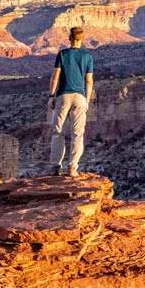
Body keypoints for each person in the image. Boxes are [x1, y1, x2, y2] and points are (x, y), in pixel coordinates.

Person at [47, 25, 94, 176]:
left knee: (58, 132)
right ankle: (73, 167)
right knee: (77, 134)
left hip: (63, 96)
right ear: (83, 39)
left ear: (69, 38)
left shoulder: (62, 54)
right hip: (80, 97)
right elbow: (89, 81)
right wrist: (86, 100)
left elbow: (55, 77)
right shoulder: (87, 56)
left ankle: (55, 167)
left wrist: (51, 96)